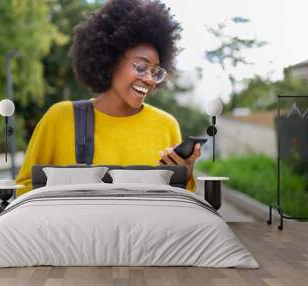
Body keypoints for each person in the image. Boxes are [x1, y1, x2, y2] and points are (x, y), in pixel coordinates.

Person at [15, 0, 201, 196]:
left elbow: (176, 202)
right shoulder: (60, 118)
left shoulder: (166, 125)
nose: (148, 79)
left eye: (155, 72)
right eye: (140, 67)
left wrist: (186, 176)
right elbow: (24, 187)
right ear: (111, 60)